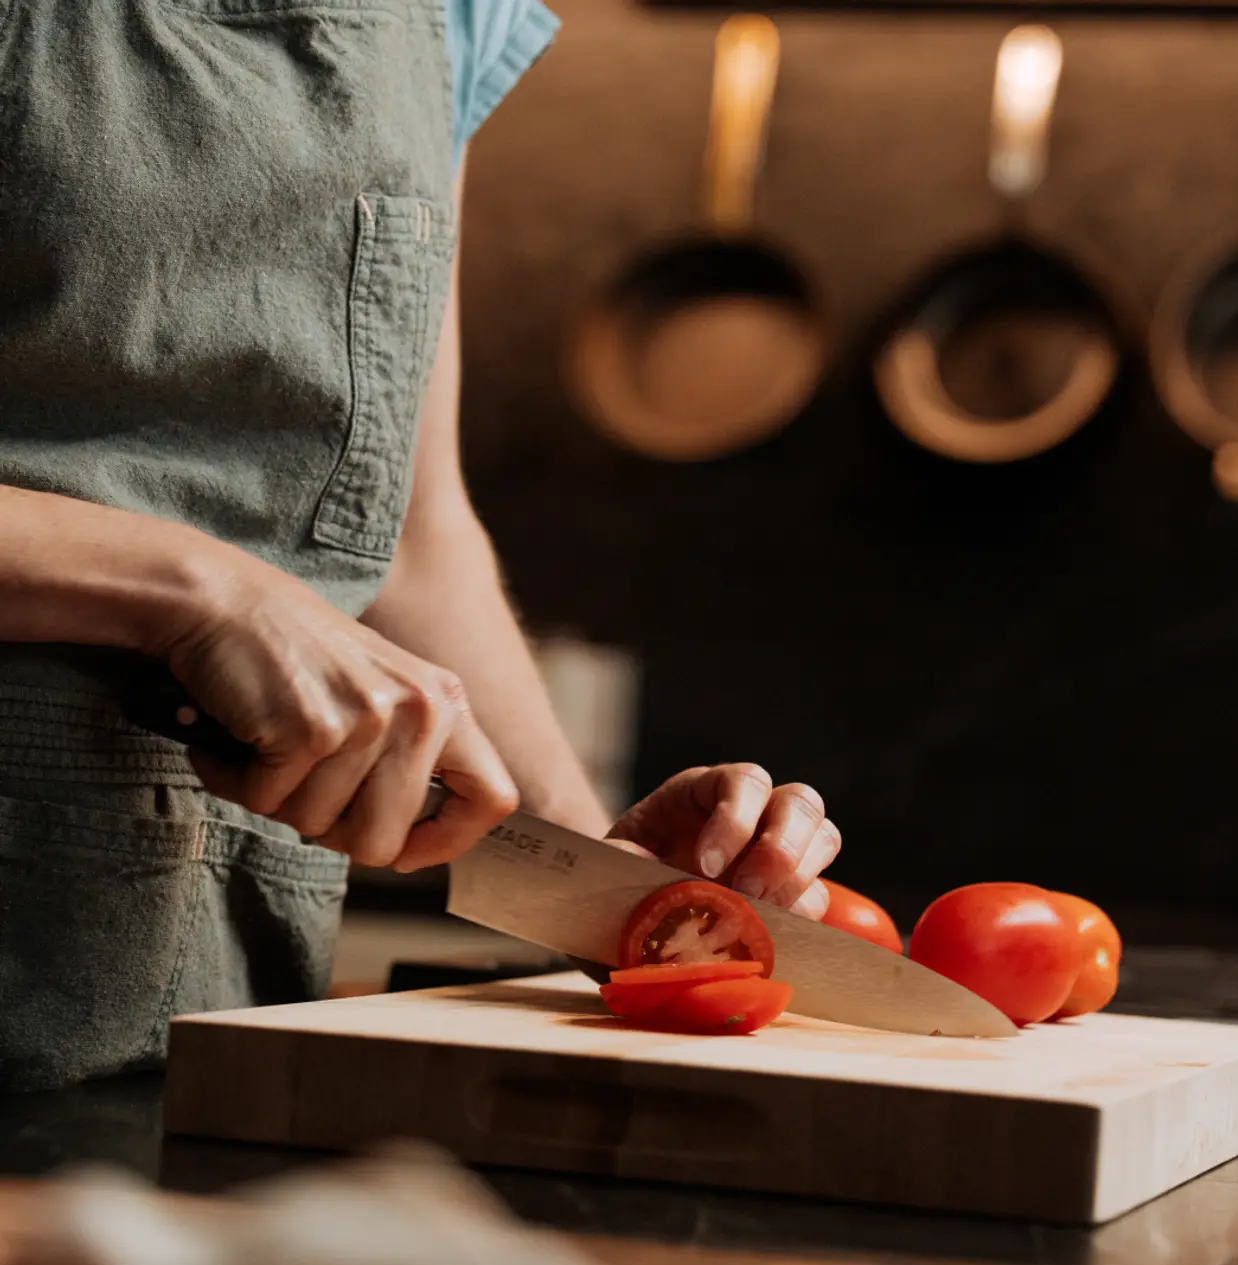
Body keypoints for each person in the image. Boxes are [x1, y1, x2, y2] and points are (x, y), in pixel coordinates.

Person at [0, 0, 839, 1093]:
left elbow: (401, 532)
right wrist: (194, 588)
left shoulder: (444, 13)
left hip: (222, 985)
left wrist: (607, 881)